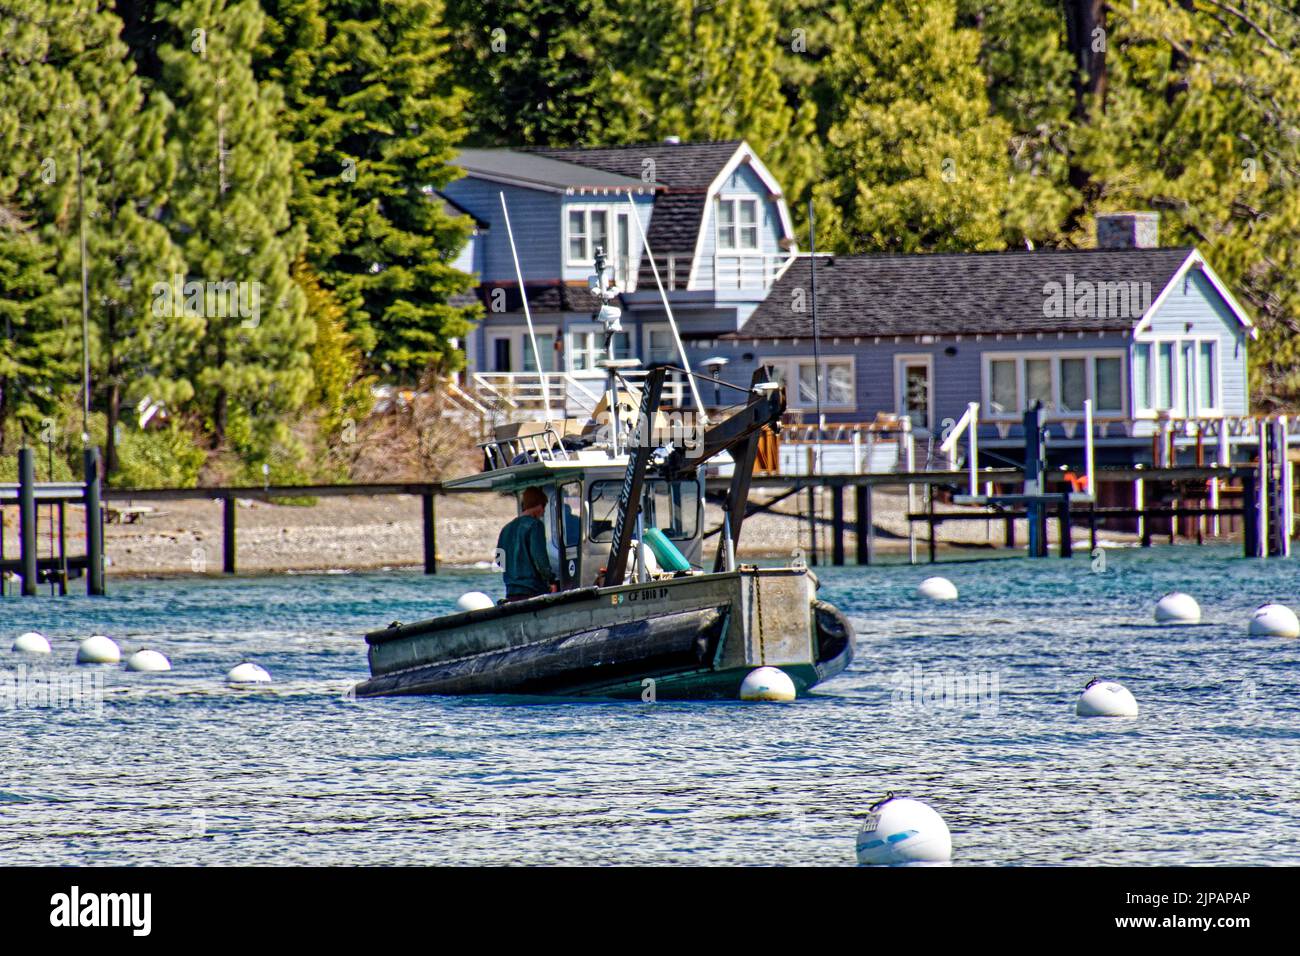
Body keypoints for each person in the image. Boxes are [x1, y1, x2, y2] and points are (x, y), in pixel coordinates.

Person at [497, 487, 558, 602]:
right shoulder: (535, 526)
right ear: (539, 505)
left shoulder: (506, 529)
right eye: (544, 507)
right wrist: (551, 581)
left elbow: (500, 560)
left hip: (511, 592)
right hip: (533, 590)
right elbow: (540, 559)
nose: (544, 512)